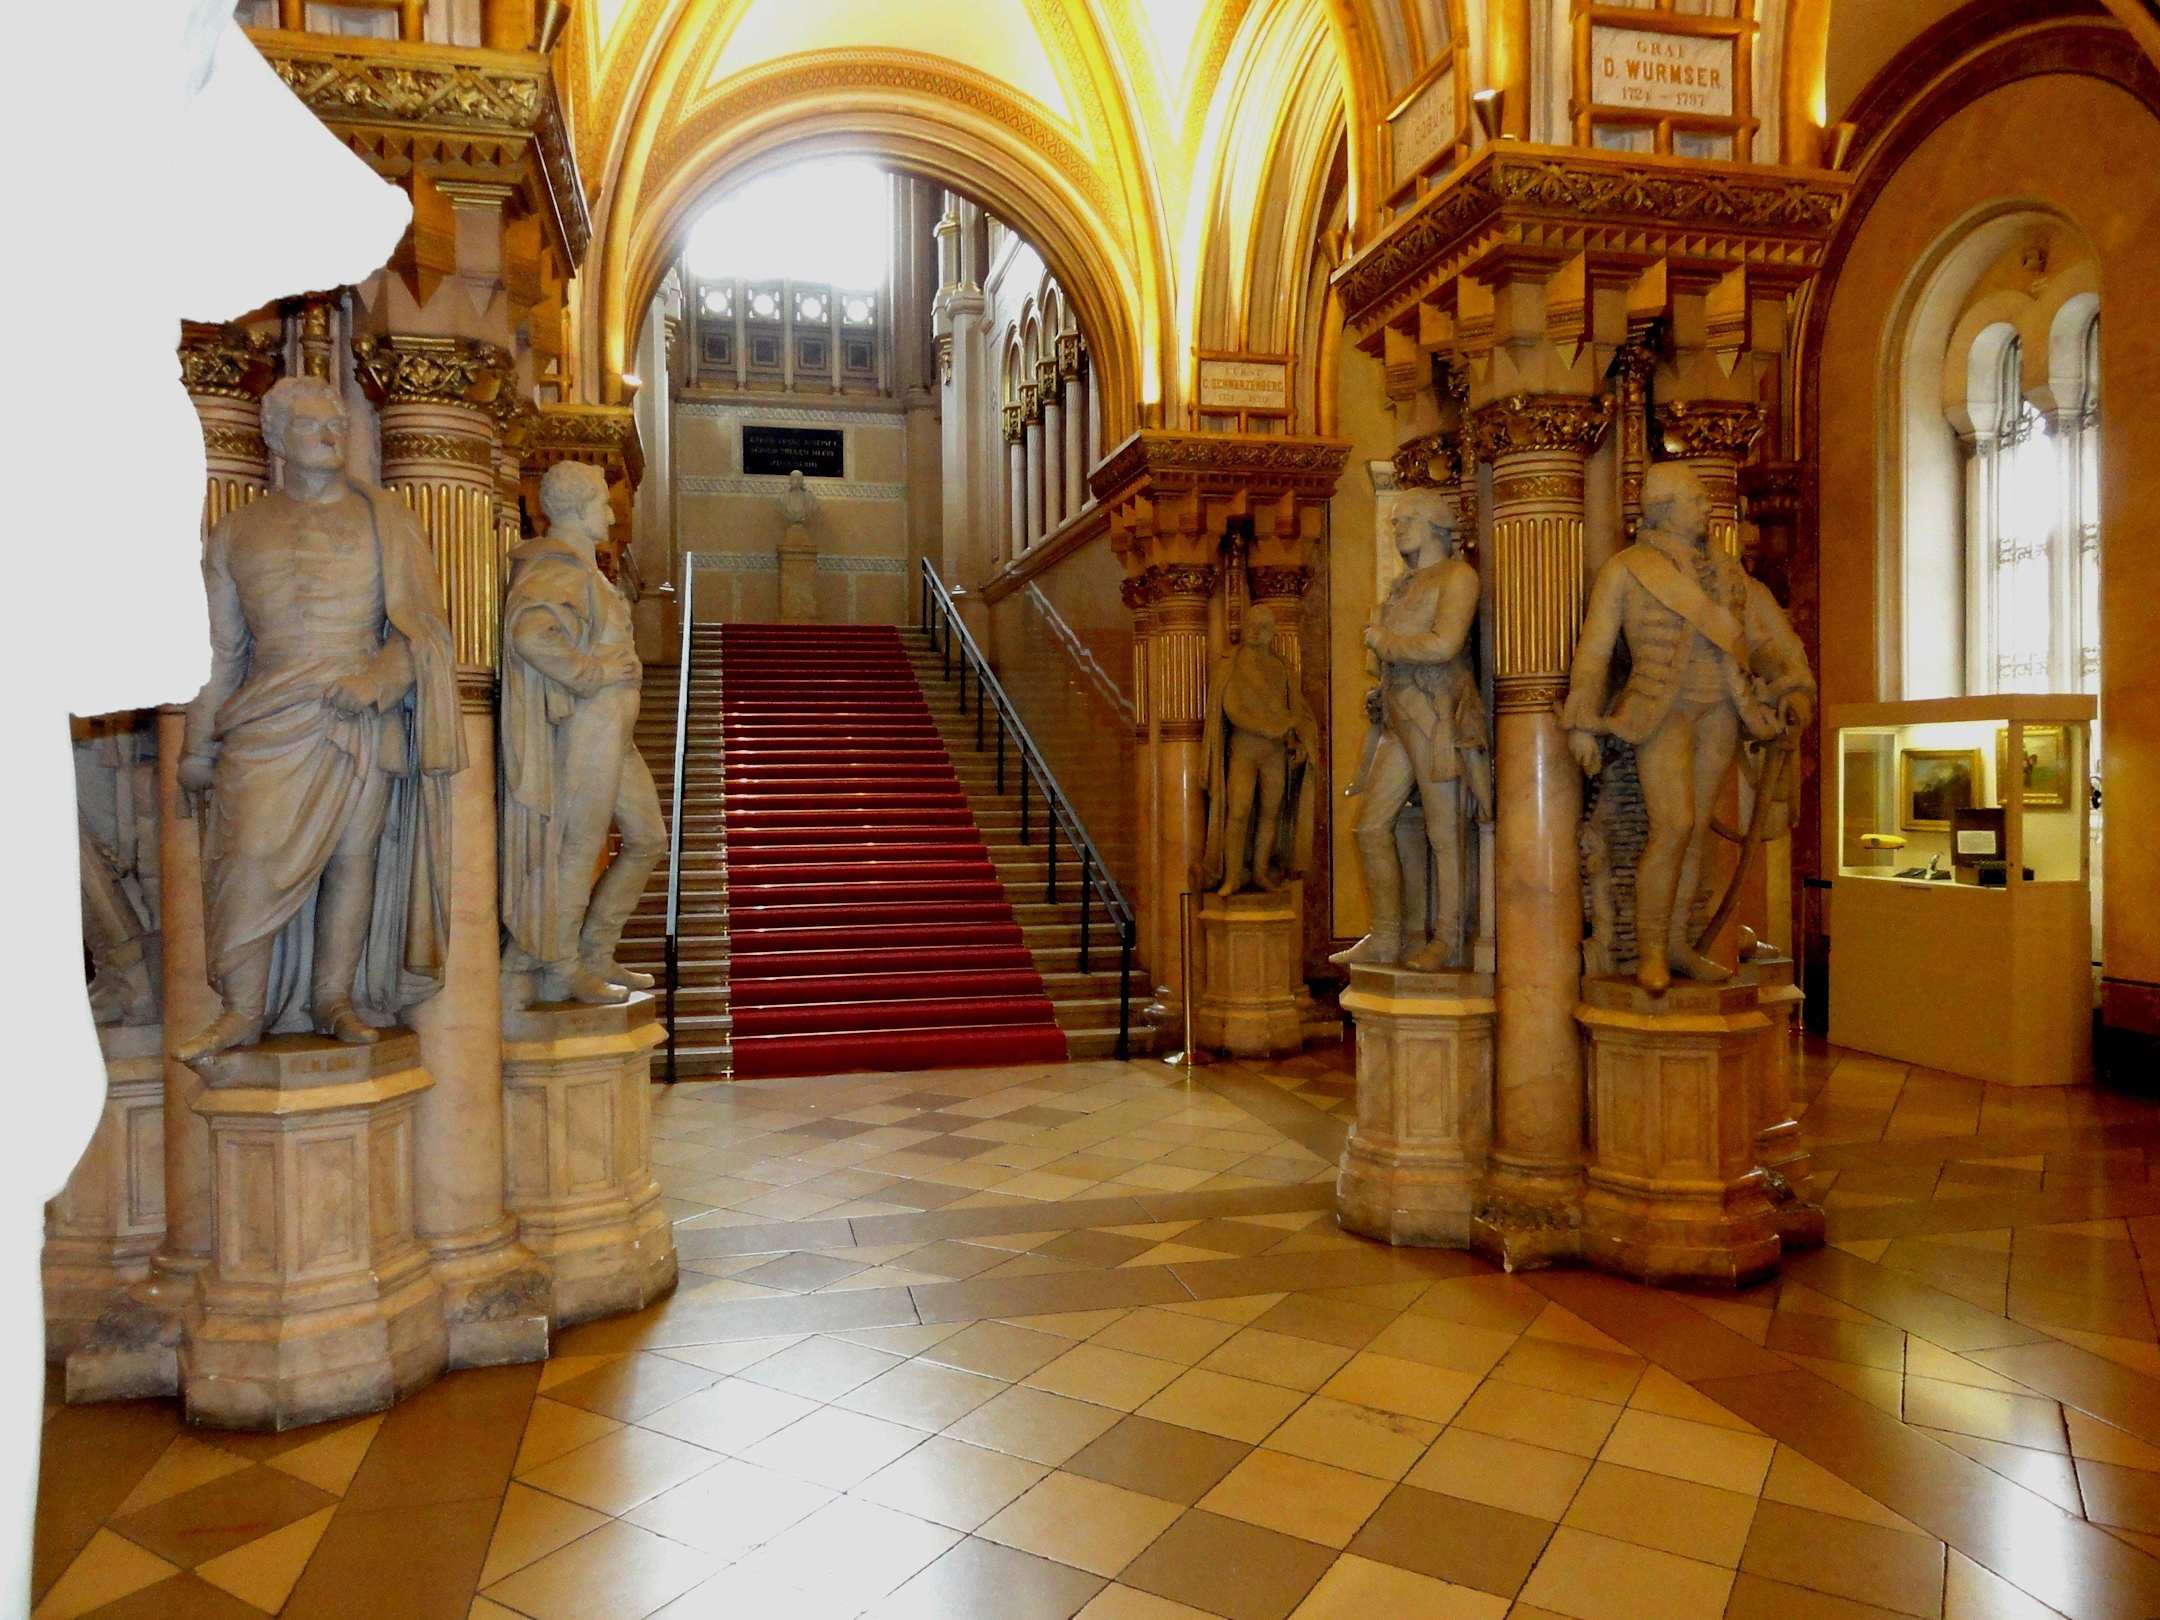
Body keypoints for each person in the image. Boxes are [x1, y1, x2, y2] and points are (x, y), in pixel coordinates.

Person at [174, 376, 463, 1062]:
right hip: (266, 717)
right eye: (312, 425)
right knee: (247, 857)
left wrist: (379, 681)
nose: (333, 435)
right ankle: (242, 1009)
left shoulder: (385, 519)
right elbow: (220, 650)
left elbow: (424, 629)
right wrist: (196, 746)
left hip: (357, 714)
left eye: (339, 424)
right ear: (276, 439)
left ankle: (335, 998)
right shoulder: (236, 530)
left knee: (351, 859)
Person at [1561, 461, 1814, 993]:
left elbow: (1759, 642)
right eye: (1696, 500)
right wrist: (1581, 722)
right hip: (1660, 708)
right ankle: (1651, 949)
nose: (1706, 509)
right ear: (1665, 508)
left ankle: (1678, 943)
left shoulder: (1726, 573)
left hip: (1722, 705)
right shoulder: (1626, 570)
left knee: (1697, 829)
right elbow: (1594, 653)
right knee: (1673, 825)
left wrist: (1789, 686)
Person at [500, 460, 665, 1005]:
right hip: (590, 725)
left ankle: (595, 951)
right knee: (579, 843)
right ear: (574, 507)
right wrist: (591, 673)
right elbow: (530, 633)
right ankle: (559, 964)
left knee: (648, 839)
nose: (611, 515)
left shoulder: (586, 570)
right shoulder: (558, 565)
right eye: (601, 503)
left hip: (617, 731)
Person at [1336, 488, 1489, 969]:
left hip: (1436, 717)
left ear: (1435, 525)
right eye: (1395, 522)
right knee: (1369, 825)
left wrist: (1385, 642)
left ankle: (1449, 939)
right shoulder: (1403, 585)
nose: (1398, 529)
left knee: (1445, 833)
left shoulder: (1458, 577)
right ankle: (1387, 935)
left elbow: (1445, 644)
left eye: (1406, 521)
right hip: (1398, 718)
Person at [1201, 605, 1317, 896]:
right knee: (1238, 810)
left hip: (1275, 754)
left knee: (1271, 811)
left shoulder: (1281, 668)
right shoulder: (1231, 664)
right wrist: (1269, 728)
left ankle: (1260, 872)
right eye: (1251, 625)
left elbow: (1297, 711)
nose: (1256, 632)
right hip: (1244, 749)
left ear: (1272, 631)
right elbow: (1231, 708)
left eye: (1263, 627)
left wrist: (1298, 738)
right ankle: (1231, 876)